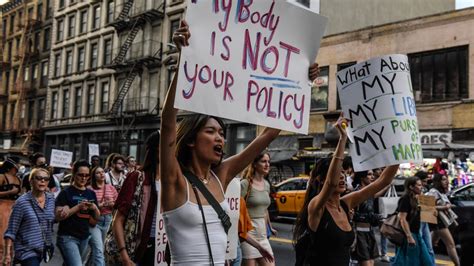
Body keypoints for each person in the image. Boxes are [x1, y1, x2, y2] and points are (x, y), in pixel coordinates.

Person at [160, 21, 319, 265]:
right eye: (211, 132)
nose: (220, 138)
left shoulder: (220, 177)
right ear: (191, 140)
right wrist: (184, 61)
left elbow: (268, 135)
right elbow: (169, 124)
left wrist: (301, 83)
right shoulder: (175, 181)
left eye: (222, 133)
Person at [296, 116, 399, 265]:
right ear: (321, 180)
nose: (342, 177)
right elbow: (331, 184)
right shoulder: (316, 206)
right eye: (338, 174)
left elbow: (383, 181)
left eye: (344, 174)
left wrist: (399, 151)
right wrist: (343, 138)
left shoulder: (346, 204)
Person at [112, 130, 160, 265]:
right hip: (141, 251)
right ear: (156, 149)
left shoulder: (174, 181)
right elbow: (117, 219)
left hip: (165, 251)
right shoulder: (137, 177)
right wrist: (125, 257)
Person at [2, 168, 55, 266]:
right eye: (39, 178)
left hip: (42, 248)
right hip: (25, 251)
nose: (43, 180)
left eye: (46, 179)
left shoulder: (51, 199)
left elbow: (52, 220)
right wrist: (7, 255)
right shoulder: (22, 202)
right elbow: (11, 231)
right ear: (31, 181)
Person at [55, 160, 100, 266]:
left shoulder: (91, 193)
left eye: (87, 175)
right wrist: (78, 207)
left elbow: (96, 219)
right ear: (74, 174)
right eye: (80, 175)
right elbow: (58, 217)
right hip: (67, 237)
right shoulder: (65, 193)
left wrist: (95, 208)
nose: (84, 178)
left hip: (84, 237)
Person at [240, 153, 276, 266]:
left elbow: (265, 209)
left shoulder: (266, 184)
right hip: (248, 235)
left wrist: (270, 227)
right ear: (255, 164)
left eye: (268, 162)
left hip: (263, 235)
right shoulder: (245, 184)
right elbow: (236, 209)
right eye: (263, 161)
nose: (267, 164)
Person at [392, 176, 433, 266]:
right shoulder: (405, 199)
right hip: (410, 234)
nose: (421, 187)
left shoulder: (416, 198)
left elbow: (428, 211)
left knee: (425, 260)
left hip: (416, 233)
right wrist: (409, 236)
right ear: (411, 187)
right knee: (411, 261)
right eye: (419, 185)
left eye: (421, 185)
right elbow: (402, 219)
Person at [351, 170, 384, 266]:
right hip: (359, 232)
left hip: (369, 231)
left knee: (371, 262)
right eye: (369, 174)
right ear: (362, 177)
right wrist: (368, 217)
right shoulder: (356, 193)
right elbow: (351, 214)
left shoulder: (369, 192)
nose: (372, 177)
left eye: (372, 174)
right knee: (366, 263)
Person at [88, 166, 118, 266]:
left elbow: (118, 204)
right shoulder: (90, 189)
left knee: (99, 249)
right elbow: (85, 206)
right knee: (99, 248)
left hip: (108, 220)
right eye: (98, 173)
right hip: (95, 221)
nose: (101, 174)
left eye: (102, 172)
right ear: (93, 176)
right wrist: (98, 206)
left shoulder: (111, 188)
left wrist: (112, 204)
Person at [428, 173, 460, 266]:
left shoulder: (441, 192)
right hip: (438, 220)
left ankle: (423, 260)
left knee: (431, 244)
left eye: (446, 179)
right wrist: (444, 207)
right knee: (450, 244)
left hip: (441, 220)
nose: (446, 182)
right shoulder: (433, 192)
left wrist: (448, 206)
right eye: (443, 179)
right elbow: (429, 207)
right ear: (438, 181)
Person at [0, 157, 22, 262]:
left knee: (14, 238)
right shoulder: (2, 176)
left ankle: (10, 260)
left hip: (15, 208)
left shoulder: (18, 179)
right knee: (3, 236)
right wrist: (9, 193)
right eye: (18, 163)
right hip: (3, 208)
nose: (19, 166)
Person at [415, 170, 435, 265]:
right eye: (424, 181)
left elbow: (428, 208)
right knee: (420, 247)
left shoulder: (426, 191)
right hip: (417, 222)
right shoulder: (412, 194)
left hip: (424, 220)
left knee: (429, 247)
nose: (425, 184)